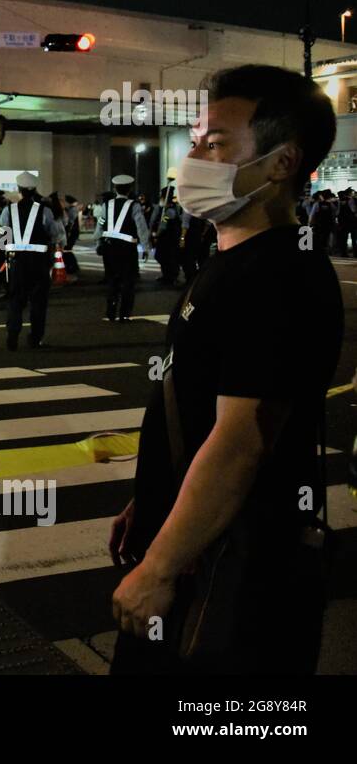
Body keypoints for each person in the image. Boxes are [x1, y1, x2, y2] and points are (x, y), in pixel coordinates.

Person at [110, 65, 341, 674]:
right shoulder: (233, 263)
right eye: (194, 143)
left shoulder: (280, 277)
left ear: (281, 164)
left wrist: (159, 566)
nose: (193, 158)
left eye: (215, 144)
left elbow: (241, 441)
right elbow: (197, 403)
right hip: (201, 545)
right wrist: (153, 498)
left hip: (234, 574)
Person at [0, 171, 64, 351]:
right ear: (34, 190)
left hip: (17, 261)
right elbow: (56, 234)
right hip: (40, 262)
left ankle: (12, 334)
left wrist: (9, 247)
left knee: (16, 298)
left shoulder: (9, 210)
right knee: (39, 301)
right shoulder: (45, 211)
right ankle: (35, 338)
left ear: (19, 189)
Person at [96, 174, 149, 322]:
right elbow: (141, 228)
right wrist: (145, 247)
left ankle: (111, 308)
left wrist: (98, 243)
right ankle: (124, 313)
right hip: (127, 248)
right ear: (130, 189)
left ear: (115, 189)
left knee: (112, 279)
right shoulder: (135, 205)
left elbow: (100, 224)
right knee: (128, 280)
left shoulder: (107, 205)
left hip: (109, 246)